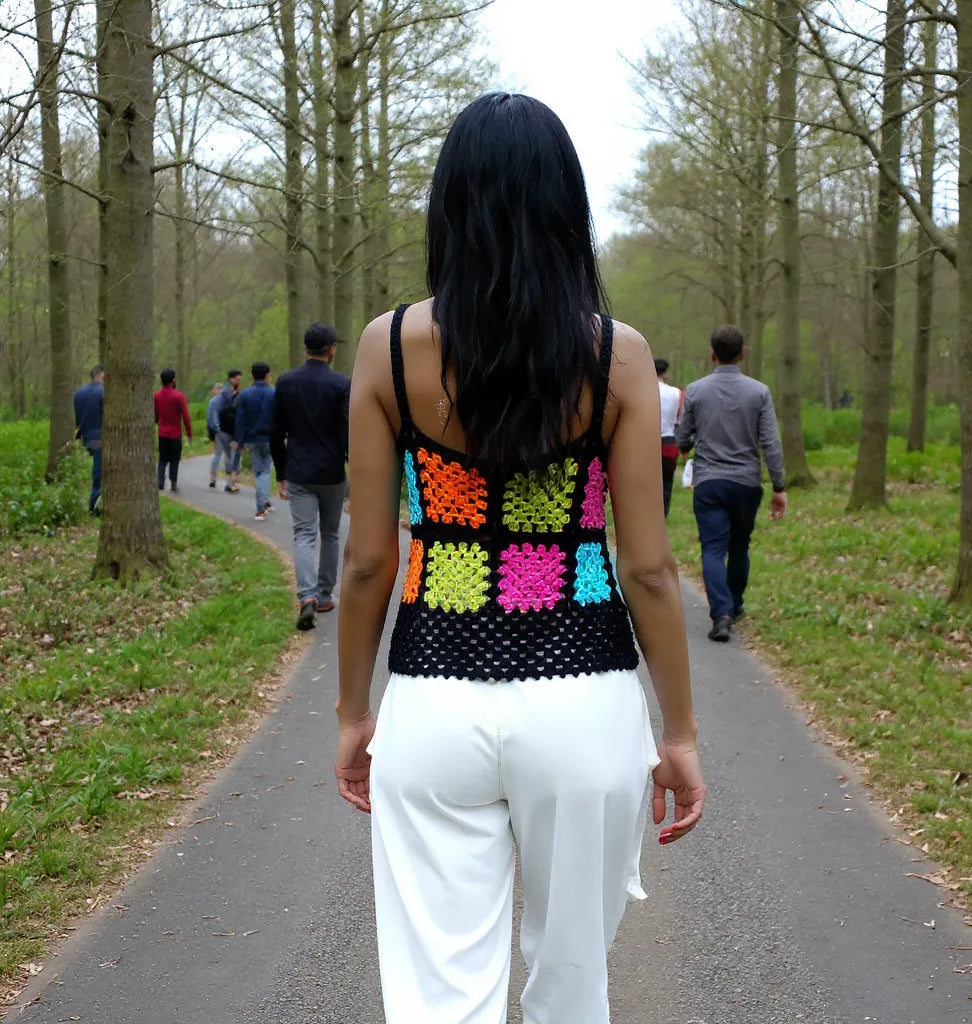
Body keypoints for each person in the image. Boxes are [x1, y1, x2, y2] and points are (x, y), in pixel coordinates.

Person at [333, 94, 705, 1024]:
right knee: (573, 983)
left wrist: (353, 713)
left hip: (434, 698)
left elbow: (369, 564)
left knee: (437, 994)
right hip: (585, 702)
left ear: (448, 208)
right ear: (567, 210)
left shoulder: (387, 348)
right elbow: (649, 569)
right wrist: (680, 733)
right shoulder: (618, 358)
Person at [675, 324, 787, 642]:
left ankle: (721, 614)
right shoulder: (760, 392)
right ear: (743, 354)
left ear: (712, 354)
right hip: (746, 483)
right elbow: (771, 442)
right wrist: (779, 486)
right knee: (740, 546)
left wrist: (687, 445)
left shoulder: (695, 391)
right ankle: (734, 605)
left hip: (709, 482)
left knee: (712, 549)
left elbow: (683, 437)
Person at [270, 323, 351, 631]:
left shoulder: (286, 382)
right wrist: (351, 462)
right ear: (331, 350)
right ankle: (325, 595)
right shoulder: (341, 385)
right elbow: (347, 430)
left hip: (298, 471)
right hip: (332, 472)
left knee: (303, 534)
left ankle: (307, 597)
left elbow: (276, 432)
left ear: (306, 348)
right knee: (330, 533)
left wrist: (281, 472)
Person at [235, 361, 276, 521]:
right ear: (267, 375)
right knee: (265, 470)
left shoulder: (244, 394)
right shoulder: (273, 393)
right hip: (270, 438)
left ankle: (264, 501)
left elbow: (240, 420)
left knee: (259, 471)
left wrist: (240, 441)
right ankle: (261, 506)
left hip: (252, 439)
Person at [154, 368, 192, 493]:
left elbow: (155, 414)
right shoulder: (179, 396)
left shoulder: (156, 396)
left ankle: (160, 482)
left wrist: (158, 421)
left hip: (162, 433)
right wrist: (189, 433)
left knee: (162, 458)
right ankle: (173, 482)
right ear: (173, 380)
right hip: (175, 433)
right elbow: (186, 417)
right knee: (174, 459)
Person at [73, 364, 104, 515]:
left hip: (86, 437)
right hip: (100, 438)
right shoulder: (103, 393)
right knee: (98, 473)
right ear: (102, 375)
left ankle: (96, 503)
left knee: (99, 470)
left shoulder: (78, 393)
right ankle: (94, 505)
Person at [655, 357, 685, 517]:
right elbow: (680, 421)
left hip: (644, 443)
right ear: (666, 373)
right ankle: (662, 516)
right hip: (668, 442)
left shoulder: (640, 391)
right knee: (666, 483)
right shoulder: (677, 393)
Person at [216, 369, 243, 492]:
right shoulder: (226, 394)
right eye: (237, 379)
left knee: (233, 455)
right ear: (231, 379)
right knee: (231, 455)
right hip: (227, 429)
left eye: (240, 379)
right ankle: (231, 481)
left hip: (231, 429)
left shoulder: (230, 393)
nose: (239, 381)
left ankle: (231, 481)